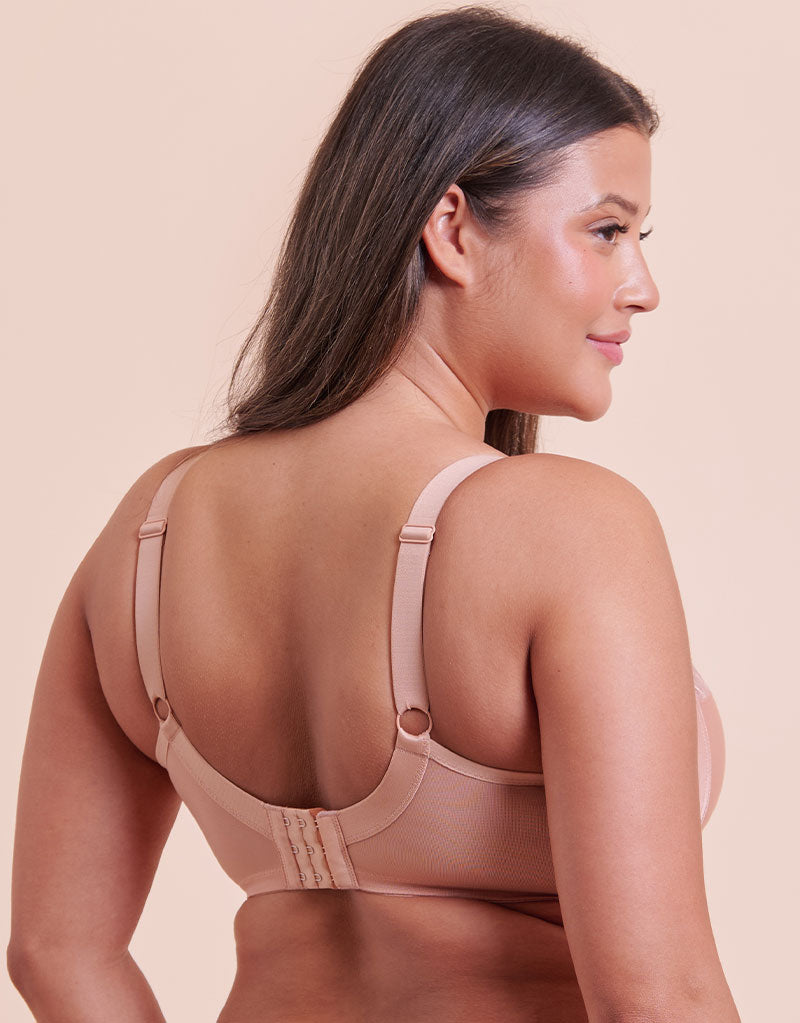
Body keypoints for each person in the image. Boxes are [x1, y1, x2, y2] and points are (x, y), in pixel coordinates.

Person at [7, 6, 741, 1022]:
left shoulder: (151, 531)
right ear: (452, 229)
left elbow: (55, 950)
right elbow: (657, 998)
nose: (642, 287)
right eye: (607, 232)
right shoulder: (567, 528)